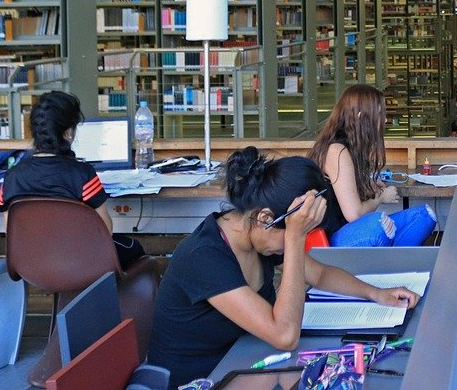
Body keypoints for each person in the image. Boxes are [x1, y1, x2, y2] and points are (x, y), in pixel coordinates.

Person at [147, 148, 418, 387]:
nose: (291, 246)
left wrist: (376, 294)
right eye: (290, 233)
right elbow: (285, 336)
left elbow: (320, 274)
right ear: (265, 218)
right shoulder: (203, 256)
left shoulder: (256, 238)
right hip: (199, 381)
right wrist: (294, 236)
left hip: (244, 364)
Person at [0, 90, 145, 268]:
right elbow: (105, 230)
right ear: (68, 133)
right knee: (135, 249)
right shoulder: (82, 174)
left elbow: (10, 231)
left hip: (32, 264)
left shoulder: (12, 177)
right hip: (79, 261)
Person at [309, 84, 436, 247]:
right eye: (380, 114)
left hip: (347, 230)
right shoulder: (337, 151)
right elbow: (354, 215)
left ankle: (392, 267)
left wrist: (366, 184)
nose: (384, 120)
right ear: (361, 117)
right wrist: (381, 197)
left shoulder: (350, 148)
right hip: (330, 239)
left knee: (425, 216)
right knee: (379, 224)